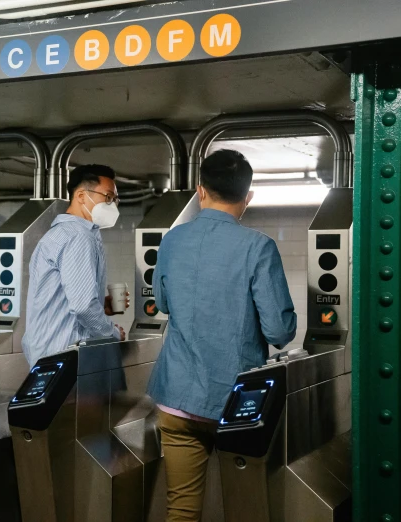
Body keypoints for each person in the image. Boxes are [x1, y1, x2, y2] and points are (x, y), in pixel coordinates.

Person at [147, 149, 296, 522]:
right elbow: (280, 331)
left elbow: (162, 304)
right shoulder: (258, 247)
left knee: (181, 510)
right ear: (248, 197)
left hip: (177, 398)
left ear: (200, 190)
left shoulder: (172, 240)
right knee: (246, 507)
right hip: (235, 402)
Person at [21, 164, 129, 367]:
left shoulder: (63, 233)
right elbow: (83, 306)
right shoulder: (77, 236)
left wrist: (99, 305)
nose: (113, 205)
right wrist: (112, 333)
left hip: (49, 351)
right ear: (81, 196)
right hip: (63, 354)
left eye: (115, 200)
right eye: (108, 197)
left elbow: (73, 299)